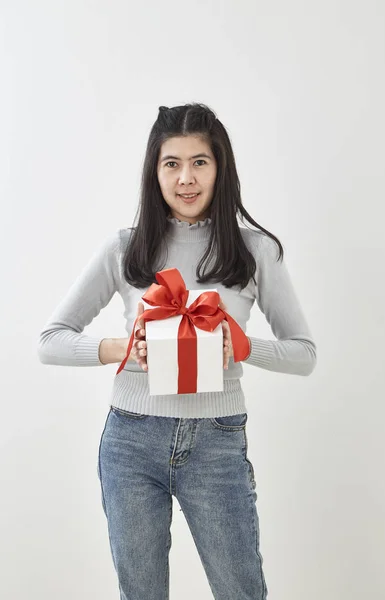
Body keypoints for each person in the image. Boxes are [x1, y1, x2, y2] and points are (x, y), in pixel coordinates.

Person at [38, 102, 317, 600]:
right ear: (155, 172)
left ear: (220, 168)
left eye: (199, 162)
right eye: (172, 163)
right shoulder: (125, 248)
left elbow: (304, 353)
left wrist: (244, 345)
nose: (186, 178)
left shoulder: (256, 252)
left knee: (242, 591)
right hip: (129, 440)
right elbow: (51, 340)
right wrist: (124, 348)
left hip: (217, 443)